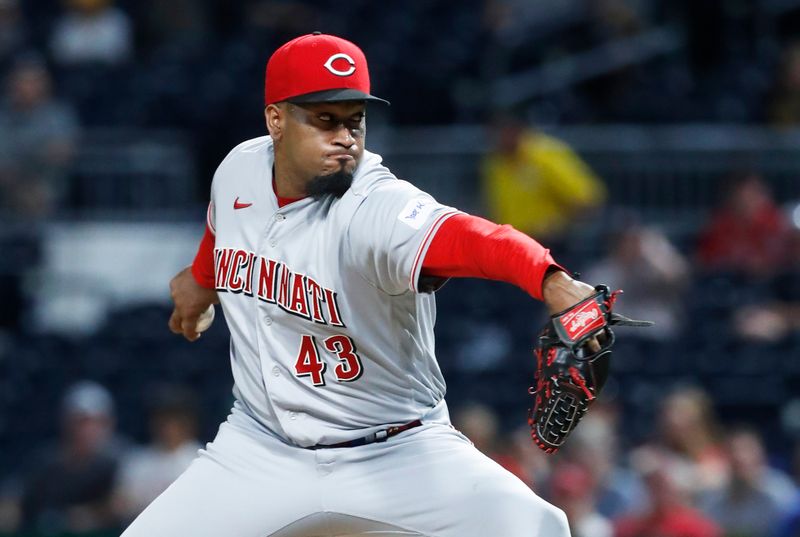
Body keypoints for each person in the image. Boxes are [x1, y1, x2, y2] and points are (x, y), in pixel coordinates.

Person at [124, 32, 608, 537]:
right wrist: (202, 281)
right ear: (276, 120)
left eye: (355, 120)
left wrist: (551, 280)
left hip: (398, 454)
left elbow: (471, 238)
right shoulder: (240, 168)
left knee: (532, 526)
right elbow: (225, 226)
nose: (346, 138)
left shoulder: (376, 207)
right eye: (325, 120)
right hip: (259, 450)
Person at [20, 381, 123, 534]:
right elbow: (22, 504)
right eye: (81, 422)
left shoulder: (125, 460)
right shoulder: (46, 463)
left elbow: (123, 504)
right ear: (66, 423)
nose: (88, 430)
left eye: (96, 422)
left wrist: (91, 514)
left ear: (109, 423)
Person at [113, 386, 202, 524]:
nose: (167, 426)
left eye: (174, 419)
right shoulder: (137, 461)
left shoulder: (201, 458)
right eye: (162, 418)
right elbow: (121, 504)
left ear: (187, 422)